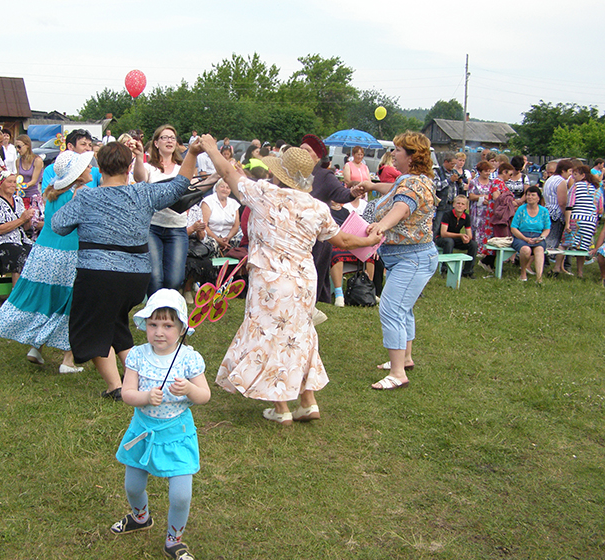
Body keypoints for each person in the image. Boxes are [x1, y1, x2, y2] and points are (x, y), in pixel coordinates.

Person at [195, 135, 381, 423]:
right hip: (303, 281)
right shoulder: (317, 207)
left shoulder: (263, 193)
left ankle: (281, 408)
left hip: (270, 281)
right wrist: (368, 238)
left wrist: (209, 148)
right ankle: (308, 402)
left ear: (278, 172)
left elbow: (229, 173)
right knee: (300, 337)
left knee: (271, 337)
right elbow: (342, 239)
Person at [52, 141, 196, 399]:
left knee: (93, 330)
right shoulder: (144, 193)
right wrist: (193, 153)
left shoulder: (86, 196)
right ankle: (143, 376)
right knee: (116, 324)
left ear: (99, 166)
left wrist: (75, 200)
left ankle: (115, 387)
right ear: (130, 166)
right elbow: (180, 184)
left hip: (97, 275)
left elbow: (58, 225)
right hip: (136, 278)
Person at [111, 289, 210, 560]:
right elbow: (127, 392)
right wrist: (144, 397)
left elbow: (204, 396)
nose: (159, 332)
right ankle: (140, 517)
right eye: (153, 324)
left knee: (180, 495)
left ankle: (174, 540)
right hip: (142, 431)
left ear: (181, 328)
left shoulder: (189, 358)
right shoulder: (137, 356)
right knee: (132, 485)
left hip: (177, 434)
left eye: (168, 325)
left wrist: (189, 388)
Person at [0, 152, 91, 373]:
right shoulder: (80, 192)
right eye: (86, 166)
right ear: (76, 174)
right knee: (71, 301)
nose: (91, 167)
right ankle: (68, 360)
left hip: (43, 251)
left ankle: (36, 347)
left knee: (46, 297)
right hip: (68, 252)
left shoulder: (53, 191)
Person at [361, 131, 437, 390]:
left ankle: (397, 374)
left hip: (412, 259)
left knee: (391, 309)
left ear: (413, 156)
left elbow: (402, 207)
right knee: (403, 309)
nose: (393, 153)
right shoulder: (411, 180)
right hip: (408, 257)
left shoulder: (413, 185)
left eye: (398, 150)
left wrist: (380, 226)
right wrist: (371, 187)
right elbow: (393, 190)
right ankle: (405, 358)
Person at [300, 134, 363, 306]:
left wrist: (352, 193)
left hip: (318, 237)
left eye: (307, 150)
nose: (302, 152)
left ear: (317, 156)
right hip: (297, 235)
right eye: (301, 149)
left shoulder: (324, 176)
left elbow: (341, 194)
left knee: (313, 276)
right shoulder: (294, 173)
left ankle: (311, 308)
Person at [136, 125, 190, 296]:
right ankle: (154, 316)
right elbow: (139, 179)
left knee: (175, 279)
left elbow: (192, 190)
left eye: (172, 138)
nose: (169, 141)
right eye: (164, 137)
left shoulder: (183, 167)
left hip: (177, 227)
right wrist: (138, 157)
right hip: (153, 226)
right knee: (154, 278)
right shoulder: (149, 168)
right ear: (156, 143)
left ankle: (169, 316)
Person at [552, 165, 602, 278]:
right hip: (590, 221)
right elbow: (599, 209)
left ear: (583, 175)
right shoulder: (597, 188)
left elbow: (570, 205)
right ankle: (580, 273)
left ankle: (556, 268)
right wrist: (595, 226)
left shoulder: (576, 186)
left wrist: (567, 223)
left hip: (576, 219)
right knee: (583, 248)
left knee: (564, 244)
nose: (573, 176)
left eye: (575, 174)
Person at [0, 172, 33, 286]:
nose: (13, 185)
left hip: (22, 240)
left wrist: (28, 219)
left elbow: (26, 227)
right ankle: (17, 295)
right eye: (9, 182)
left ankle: (33, 293)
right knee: (20, 256)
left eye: (14, 182)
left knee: (39, 252)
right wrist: (22, 219)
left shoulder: (18, 200)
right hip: (3, 242)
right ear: (0, 184)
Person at [511, 186, 550, 283]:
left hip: (537, 236)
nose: (530, 197)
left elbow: (547, 228)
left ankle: (539, 278)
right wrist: (525, 238)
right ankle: (523, 272)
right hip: (521, 235)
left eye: (533, 195)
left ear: (538, 198)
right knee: (525, 250)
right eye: (528, 195)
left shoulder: (544, 211)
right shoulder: (521, 209)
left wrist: (541, 237)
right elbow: (514, 228)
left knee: (539, 249)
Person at [436, 195, 478, 278]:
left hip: (455, 239)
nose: (460, 205)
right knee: (449, 241)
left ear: (466, 207)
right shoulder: (447, 214)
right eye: (458, 203)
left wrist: (467, 239)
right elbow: (443, 233)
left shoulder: (466, 217)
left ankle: (467, 271)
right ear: (453, 204)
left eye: (462, 204)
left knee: (473, 244)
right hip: (441, 238)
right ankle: (445, 269)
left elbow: (469, 234)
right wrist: (461, 235)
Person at [201, 178, 241, 254]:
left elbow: (236, 226)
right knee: (213, 244)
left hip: (228, 236)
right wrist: (217, 239)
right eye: (222, 187)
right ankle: (214, 266)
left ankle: (233, 265)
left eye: (228, 188)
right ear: (216, 188)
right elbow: (204, 225)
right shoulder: (208, 201)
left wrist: (228, 238)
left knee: (237, 243)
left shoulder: (234, 203)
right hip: (211, 235)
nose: (225, 189)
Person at [543, 159, 575, 255]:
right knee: (552, 241)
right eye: (569, 171)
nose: (570, 174)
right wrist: (566, 216)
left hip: (547, 210)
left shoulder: (549, 179)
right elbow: (562, 202)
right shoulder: (561, 181)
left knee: (546, 238)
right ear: (563, 170)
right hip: (556, 214)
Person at [14, 134, 44, 200]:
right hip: (20, 195)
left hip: (33, 196)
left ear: (27, 145)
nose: (17, 149)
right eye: (16, 147)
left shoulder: (37, 160)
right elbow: (18, 177)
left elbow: (34, 181)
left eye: (19, 147)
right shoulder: (18, 161)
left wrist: (22, 186)